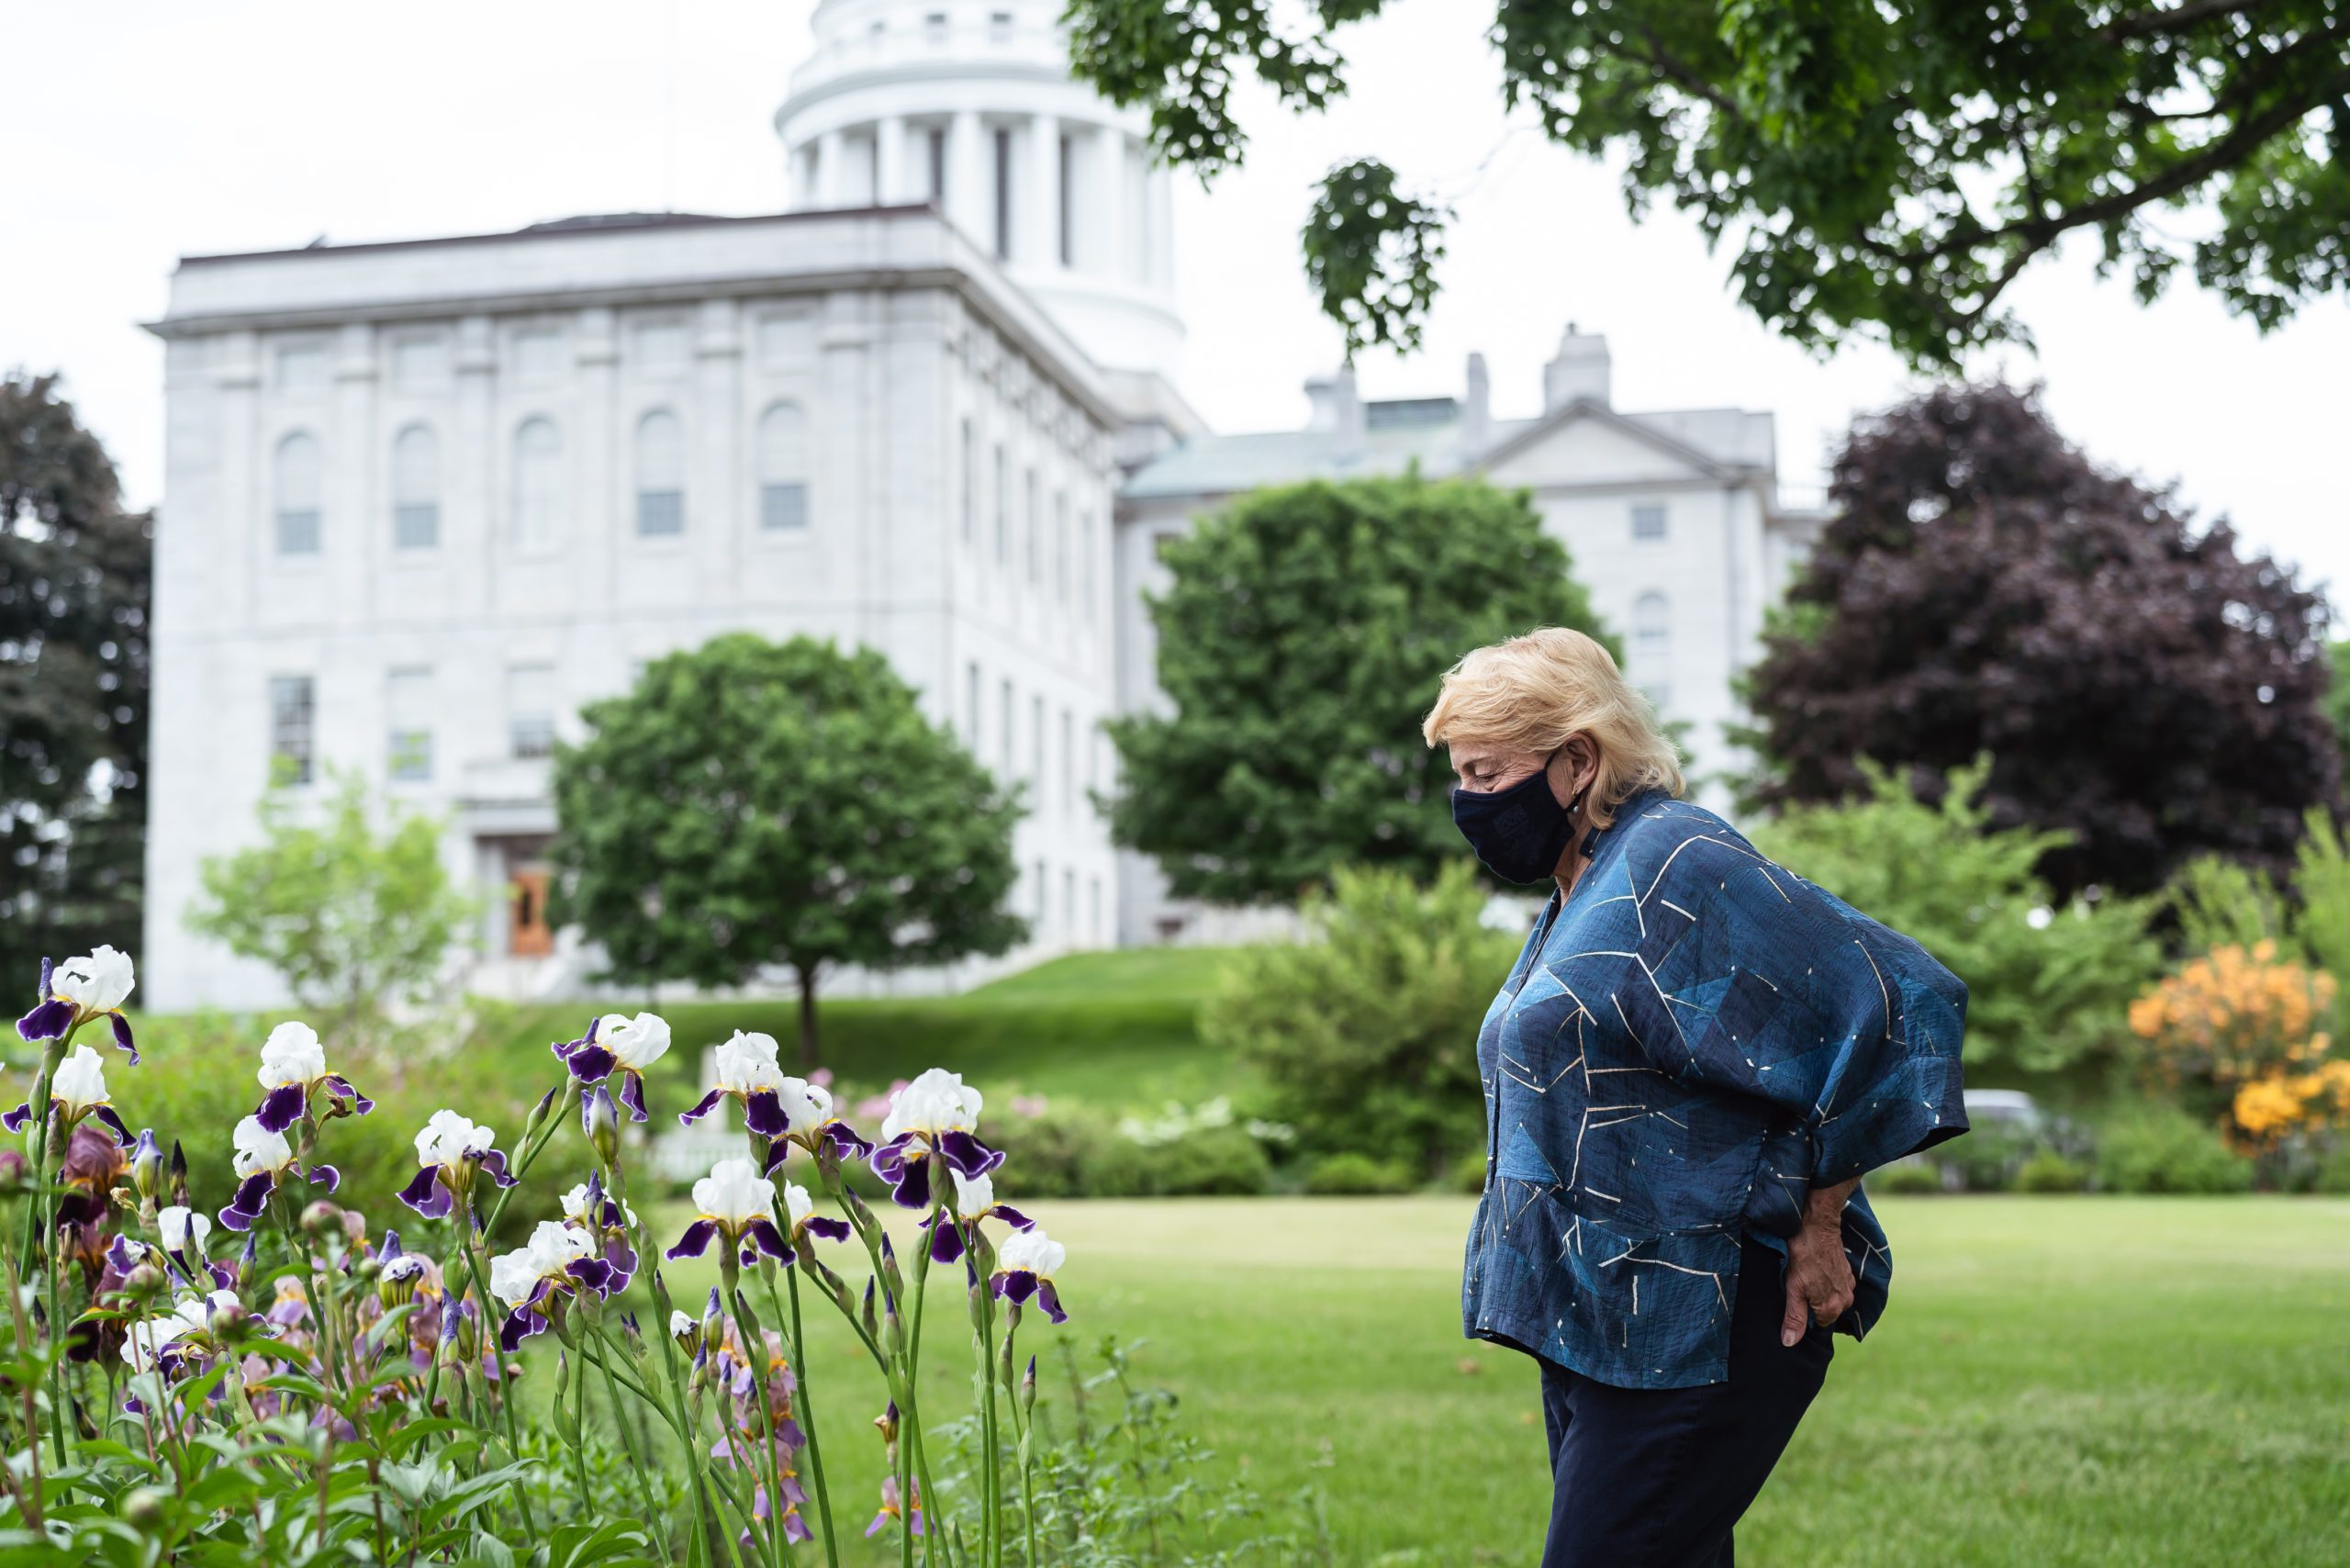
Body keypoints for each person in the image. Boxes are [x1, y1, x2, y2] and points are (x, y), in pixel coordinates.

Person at [1422, 626, 1969, 1567]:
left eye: (1485, 774)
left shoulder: (1676, 866)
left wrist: (1822, 1219)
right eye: (1461, 775)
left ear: (1577, 760)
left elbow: (1897, 1001)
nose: (1468, 803)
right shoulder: (1579, 891)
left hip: (1702, 1323)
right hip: (1603, 1328)